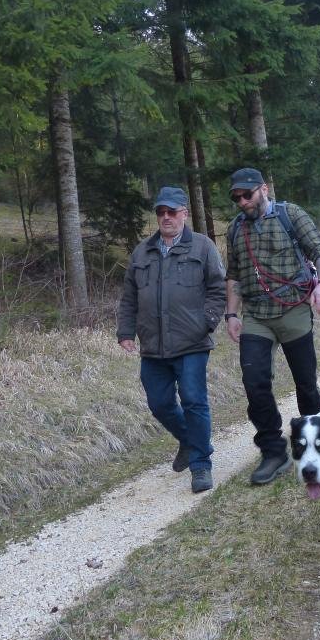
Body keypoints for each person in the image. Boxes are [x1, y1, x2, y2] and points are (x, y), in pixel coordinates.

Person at [223, 168, 320, 485]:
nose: (242, 202)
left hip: (293, 310)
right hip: (256, 316)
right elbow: (234, 275)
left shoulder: (290, 215)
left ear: (263, 189)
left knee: (306, 383)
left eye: (247, 195)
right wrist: (231, 314)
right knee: (254, 381)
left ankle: (318, 445)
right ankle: (273, 452)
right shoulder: (235, 229)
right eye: (236, 198)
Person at [117, 186, 226, 494]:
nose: (166, 217)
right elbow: (129, 297)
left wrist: (207, 322)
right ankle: (190, 441)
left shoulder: (203, 247)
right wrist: (125, 332)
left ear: (184, 214)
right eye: (161, 212)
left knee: (193, 400)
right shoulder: (142, 252)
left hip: (192, 342)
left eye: (172, 212)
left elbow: (218, 289)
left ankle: (201, 465)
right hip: (153, 346)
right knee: (159, 403)